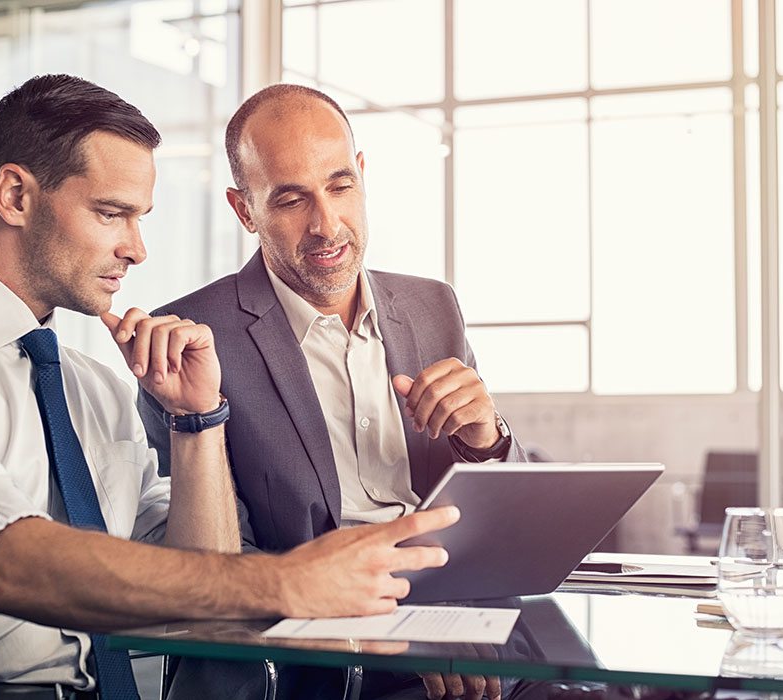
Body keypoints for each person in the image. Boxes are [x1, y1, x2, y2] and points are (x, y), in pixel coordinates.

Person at [0, 74, 457, 700]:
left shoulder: (93, 390)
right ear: (16, 197)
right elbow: (1, 561)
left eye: (140, 218)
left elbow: (204, 597)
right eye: (113, 214)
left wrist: (197, 422)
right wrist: (288, 582)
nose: (138, 249)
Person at [138, 84, 532, 700]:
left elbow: (510, 522)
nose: (326, 224)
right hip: (315, 661)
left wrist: (488, 439)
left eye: (340, 186)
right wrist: (390, 627)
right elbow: (209, 573)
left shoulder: (434, 307)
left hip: (458, 626)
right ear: (245, 211)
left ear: (363, 176)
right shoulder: (191, 342)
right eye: (292, 200)